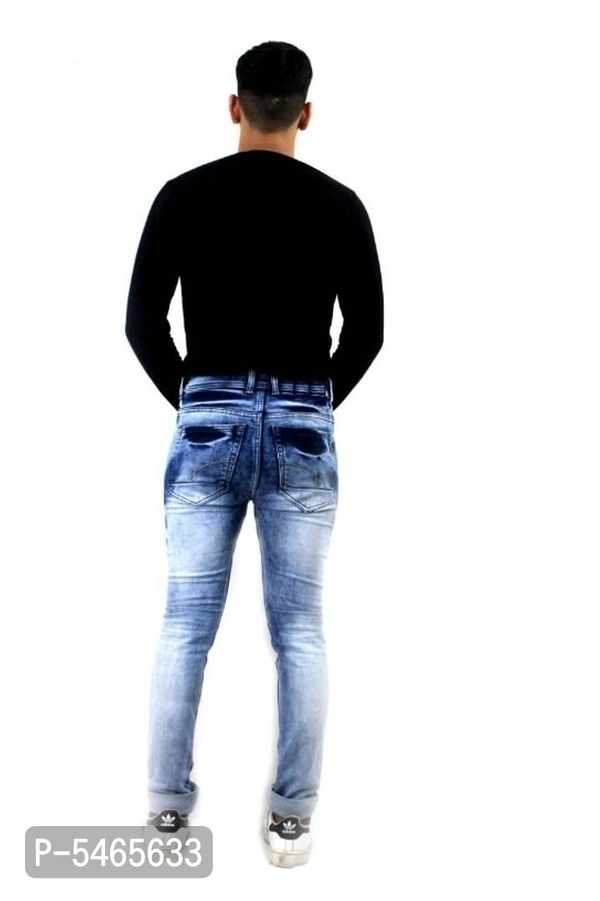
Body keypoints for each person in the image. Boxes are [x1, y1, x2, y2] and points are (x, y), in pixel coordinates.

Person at [125, 40, 384, 868]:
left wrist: (195, 397)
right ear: (305, 114)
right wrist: (315, 403)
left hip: (208, 419)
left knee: (184, 623)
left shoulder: (182, 195)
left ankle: (167, 807)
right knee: (300, 630)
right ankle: (292, 818)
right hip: (304, 422)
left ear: (235, 106)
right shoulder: (341, 206)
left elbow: (141, 323)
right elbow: (369, 332)